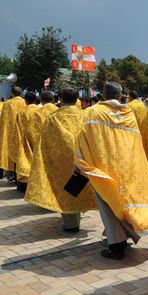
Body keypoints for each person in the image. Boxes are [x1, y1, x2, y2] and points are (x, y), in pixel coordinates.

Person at [76, 82, 148, 259]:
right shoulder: (128, 114)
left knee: (108, 204)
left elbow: (83, 139)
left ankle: (116, 247)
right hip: (127, 167)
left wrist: (80, 162)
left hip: (103, 167)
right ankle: (123, 235)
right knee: (123, 201)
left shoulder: (94, 112)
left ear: (104, 95)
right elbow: (135, 143)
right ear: (121, 95)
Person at [25, 87, 95, 232]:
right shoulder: (86, 116)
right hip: (83, 157)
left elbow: (43, 142)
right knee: (81, 187)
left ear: (61, 99)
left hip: (61, 160)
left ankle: (71, 224)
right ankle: (79, 213)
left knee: (67, 192)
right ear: (77, 100)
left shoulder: (53, 118)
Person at [13, 91, 43, 191]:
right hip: (39, 140)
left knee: (25, 162)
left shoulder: (21, 113)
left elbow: (17, 130)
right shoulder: (41, 111)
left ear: (25, 101)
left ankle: (24, 185)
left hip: (25, 141)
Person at [0, 87, 26, 180]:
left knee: (11, 152)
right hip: (23, 130)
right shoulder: (25, 102)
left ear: (12, 93)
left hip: (10, 131)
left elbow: (3, 119)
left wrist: (0, 129)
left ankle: (11, 172)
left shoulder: (8, 103)